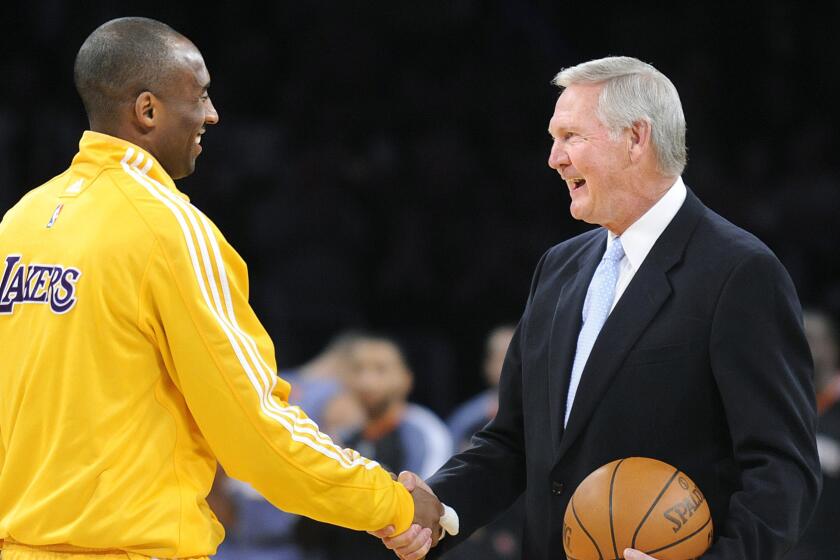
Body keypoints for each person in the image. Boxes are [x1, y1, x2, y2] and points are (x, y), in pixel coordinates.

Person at [0, 17, 442, 560]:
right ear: (147, 110)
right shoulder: (169, 228)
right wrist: (393, 505)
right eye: (201, 95)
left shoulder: (20, 222)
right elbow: (255, 431)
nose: (212, 114)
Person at [378, 56, 821, 560]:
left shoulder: (740, 272)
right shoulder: (558, 268)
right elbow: (513, 442)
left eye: (571, 137)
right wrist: (440, 507)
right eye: (553, 138)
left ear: (636, 139)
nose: (554, 158)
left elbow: (782, 470)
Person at [296, 334, 453, 559]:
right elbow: (308, 527)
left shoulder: (425, 433)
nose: (367, 380)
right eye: (358, 369)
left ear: (406, 379)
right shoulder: (339, 439)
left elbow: (429, 511)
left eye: (380, 369)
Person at [445, 324, 523, 560]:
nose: (510, 364)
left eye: (515, 353)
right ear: (487, 365)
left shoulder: (554, 411)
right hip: (483, 530)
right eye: (501, 357)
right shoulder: (467, 419)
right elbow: (453, 474)